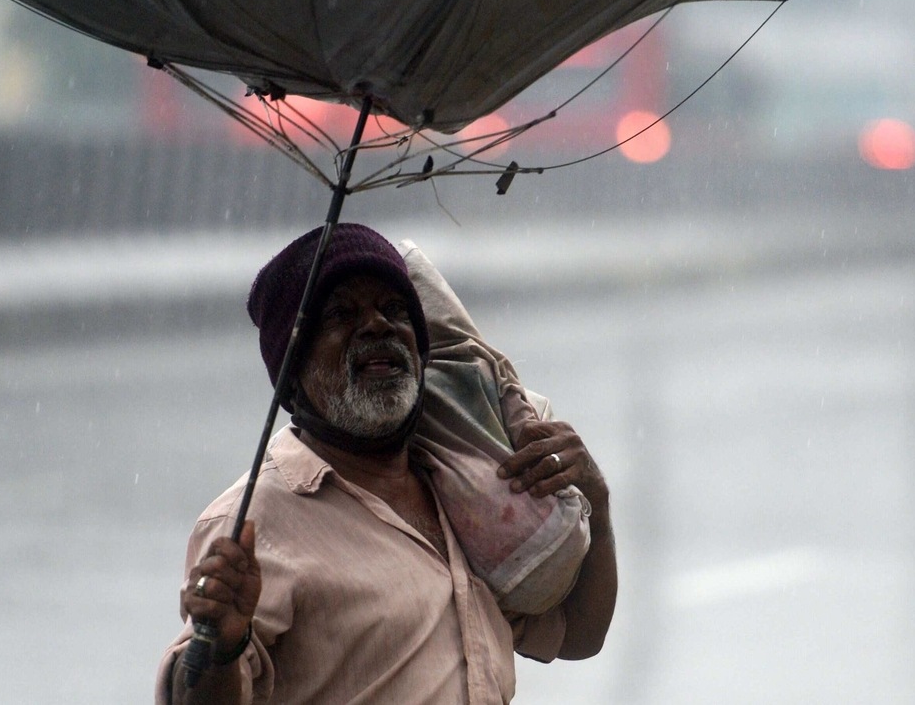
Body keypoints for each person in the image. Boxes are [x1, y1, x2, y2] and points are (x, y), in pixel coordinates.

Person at [156, 224, 617, 704]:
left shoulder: (468, 488)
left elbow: (578, 635)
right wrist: (219, 647)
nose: (378, 325)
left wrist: (597, 504)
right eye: (341, 314)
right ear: (292, 371)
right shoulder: (251, 523)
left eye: (394, 309)